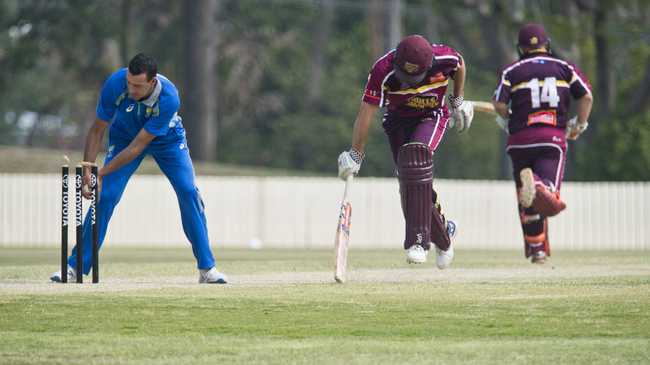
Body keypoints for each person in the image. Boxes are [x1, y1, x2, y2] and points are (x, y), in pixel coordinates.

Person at [51, 53, 227, 283]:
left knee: (188, 191)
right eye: (129, 83)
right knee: (104, 197)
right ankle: (75, 267)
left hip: (167, 140)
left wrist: (100, 173)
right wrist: (88, 169)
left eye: (138, 86)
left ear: (152, 82)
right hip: (124, 136)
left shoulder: (169, 97)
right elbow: (97, 129)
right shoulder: (116, 83)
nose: (131, 90)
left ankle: (207, 269)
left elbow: (137, 148)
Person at [337, 34, 474, 267]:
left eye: (415, 76)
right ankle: (445, 235)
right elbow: (366, 112)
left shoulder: (445, 58)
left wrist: (458, 100)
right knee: (409, 186)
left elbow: (460, 64)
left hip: (432, 116)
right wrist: (356, 154)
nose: (410, 80)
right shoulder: (383, 69)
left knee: (415, 157)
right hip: (398, 121)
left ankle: (418, 242)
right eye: (405, 75)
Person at [491, 24, 593, 264]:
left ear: (521, 48)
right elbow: (586, 96)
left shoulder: (512, 70)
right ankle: (539, 184)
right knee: (547, 193)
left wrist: (507, 119)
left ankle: (537, 249)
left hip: (519, 140)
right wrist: (580, 124)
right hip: (552, 138)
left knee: (526, 199)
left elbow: (498, 103)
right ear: (547, 45)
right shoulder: (564, 68)